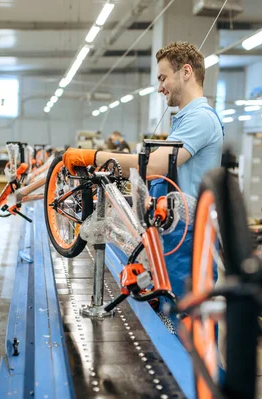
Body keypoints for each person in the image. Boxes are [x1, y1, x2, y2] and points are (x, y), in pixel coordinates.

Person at [62, 41, 224, 301]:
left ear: (185, 72)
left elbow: (156, 166)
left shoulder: (201, 118)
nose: (160, 87)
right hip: (175, 231)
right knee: (167, 306)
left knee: (186, 315)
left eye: (163, 78)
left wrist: (94, 156)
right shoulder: (185, 119)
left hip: (189, 237)